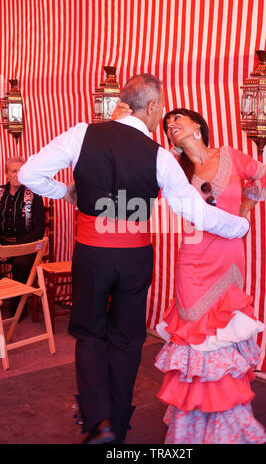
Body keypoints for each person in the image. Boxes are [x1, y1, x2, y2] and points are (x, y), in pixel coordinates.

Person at [18, 74, 250, 445]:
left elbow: (29, 174)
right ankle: (119, 421)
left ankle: (99, 422)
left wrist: (67, 193)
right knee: (127, 338)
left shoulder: (81, 133)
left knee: (90, 333)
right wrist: (240, 226)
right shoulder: (159, 155)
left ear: (123, 101)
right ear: (154, 107)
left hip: (92, 252)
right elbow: (198, 215)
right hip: (135, 256)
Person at [153, 108, 266, 444]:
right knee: (195, 340)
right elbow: (159, 206)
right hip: (192, 262)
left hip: (228, 259)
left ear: (198, 126)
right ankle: (192, 426)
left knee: (223, 338)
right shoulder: (176, 172)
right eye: (167, 125)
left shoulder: (230, 156)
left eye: (178, 121)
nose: (171, 126)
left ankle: (225, 425)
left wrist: (246, 205)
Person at [0, 156, 45, 317]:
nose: (18, 174)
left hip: (26, 247)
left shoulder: (33, 195)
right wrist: (3, 249)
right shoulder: (0, 193)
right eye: (14, 171)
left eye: (21, 171)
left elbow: (39, 230)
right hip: (2, 245)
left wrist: (13, 249)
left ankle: (16, 312)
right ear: (6, 174)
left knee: (21, 264)